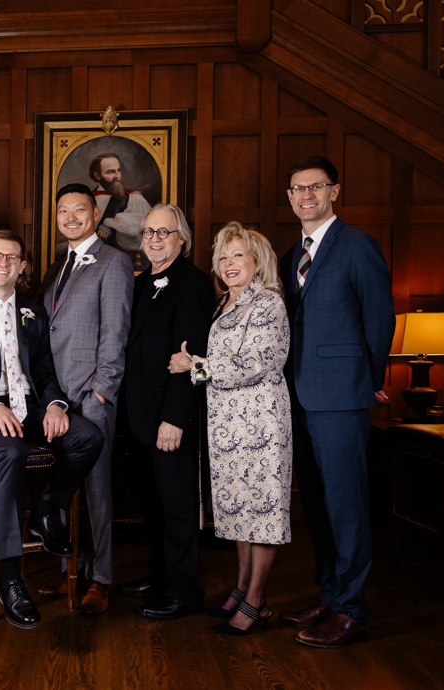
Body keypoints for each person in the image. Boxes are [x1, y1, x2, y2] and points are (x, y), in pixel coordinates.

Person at [0, 230, 103, 629]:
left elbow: (44, 370)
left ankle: (46, 510)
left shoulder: (33, 312)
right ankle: (11, 579)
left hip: (28, 407)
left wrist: (54, 405)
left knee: (88, 436)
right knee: (10, 452)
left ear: (22, 266)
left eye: (12, 258)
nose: (3, 264)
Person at [278, 156, 395, 648]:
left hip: (342, 397)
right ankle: (329, 594)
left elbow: (379, 320)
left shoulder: (358, 246)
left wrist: (367, 382)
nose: (306, 195)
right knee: (320, 508)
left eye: (316, 187)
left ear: (334, 191)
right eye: (298, 188)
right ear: (290, 197)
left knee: (346, 505)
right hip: (298, 397)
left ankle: (352, 610)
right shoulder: (290, 255)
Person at [169, 223, 292, 636]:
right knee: (240, 510)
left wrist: (195, 365)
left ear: (258, 260)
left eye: (237, 255)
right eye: (223, 256)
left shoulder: (267, 303)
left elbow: (258, 363)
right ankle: (241, 590)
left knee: (263, 514)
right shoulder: (224, 303)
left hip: (260, 425)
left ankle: (257, 603)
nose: (228, 263)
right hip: (226, 425)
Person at [34, 183, 133, 616]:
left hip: (91, 399)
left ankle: (102, 579)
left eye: (79, 209)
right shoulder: (57, 267)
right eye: (63, 210)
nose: (70, 217)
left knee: (96, 491)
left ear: (95, 214)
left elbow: (115, 334)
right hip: (54, 401)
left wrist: (100, 392)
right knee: (63, 484)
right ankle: (68, 569)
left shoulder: (115, 262)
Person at [123, 204, 215, 620]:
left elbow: (192, 357)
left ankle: (185, 592)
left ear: (182, 239)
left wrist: (175, 417)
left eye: (164, 232)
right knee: (151, 503)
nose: (155, 239)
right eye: (148, 232)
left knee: (177, 507)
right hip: (137, 415)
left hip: (169, 418)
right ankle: (158, 577)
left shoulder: (194, 284)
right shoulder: (140, 283)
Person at [90, 154, 152, 254]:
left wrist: (110, 225)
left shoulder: (134, 197)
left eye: (118, 170)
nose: (117, 176)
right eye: (110, 172)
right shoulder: (88, 200)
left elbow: (147, 225)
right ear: (97, 175)